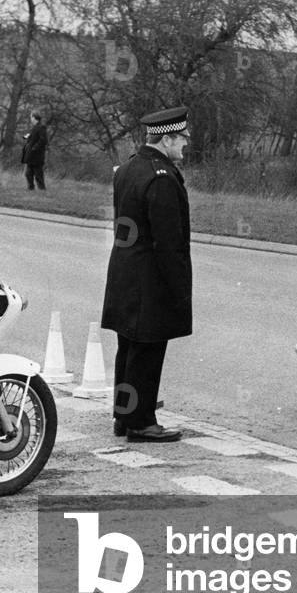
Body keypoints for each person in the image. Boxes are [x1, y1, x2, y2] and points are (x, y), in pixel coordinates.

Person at [101, 106, 193, 443]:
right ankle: (141, 422)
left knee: (128, 348)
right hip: (150, 279)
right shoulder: (161, 177)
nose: (186, 142)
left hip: (126, 273)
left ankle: (124, 417)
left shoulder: (128, 168)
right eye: (182, 137)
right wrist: (179, 288)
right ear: (166, 138)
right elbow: (169, 242)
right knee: (147, 350)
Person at [20, 111, 48, 190]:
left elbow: (43, 140)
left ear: (35, 118)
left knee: (38, 174)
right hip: (31, 156)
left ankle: (42, 190)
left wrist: (34, 148)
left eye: (31, 117)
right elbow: (34, 137)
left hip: (37, 156)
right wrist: (26, 137)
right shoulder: (35, 127)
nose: (30, 119)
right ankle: (30, 188)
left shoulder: (41, 127)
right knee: (28, 173)